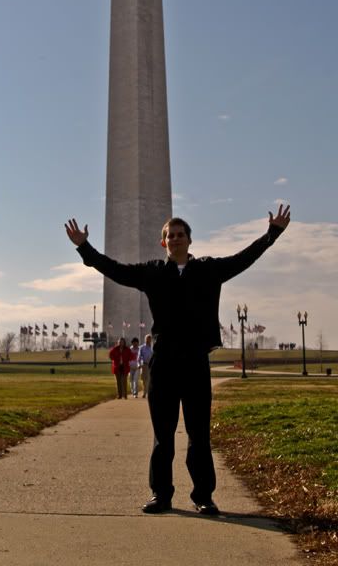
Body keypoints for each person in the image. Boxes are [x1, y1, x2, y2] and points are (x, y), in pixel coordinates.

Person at [65, 204, 290, 515]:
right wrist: (84, 248)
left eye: (180, 234)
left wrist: (272, 234)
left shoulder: (208, 270)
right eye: (170, 235)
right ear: (163, 242)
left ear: (189, 240)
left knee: (199, 434)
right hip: (164, 363)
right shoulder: (153, 273)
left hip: (195, 361)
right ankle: (161, 494)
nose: (175, 239)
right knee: (163, 435)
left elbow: (244, 258)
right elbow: (116, 270)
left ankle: (203, 496)